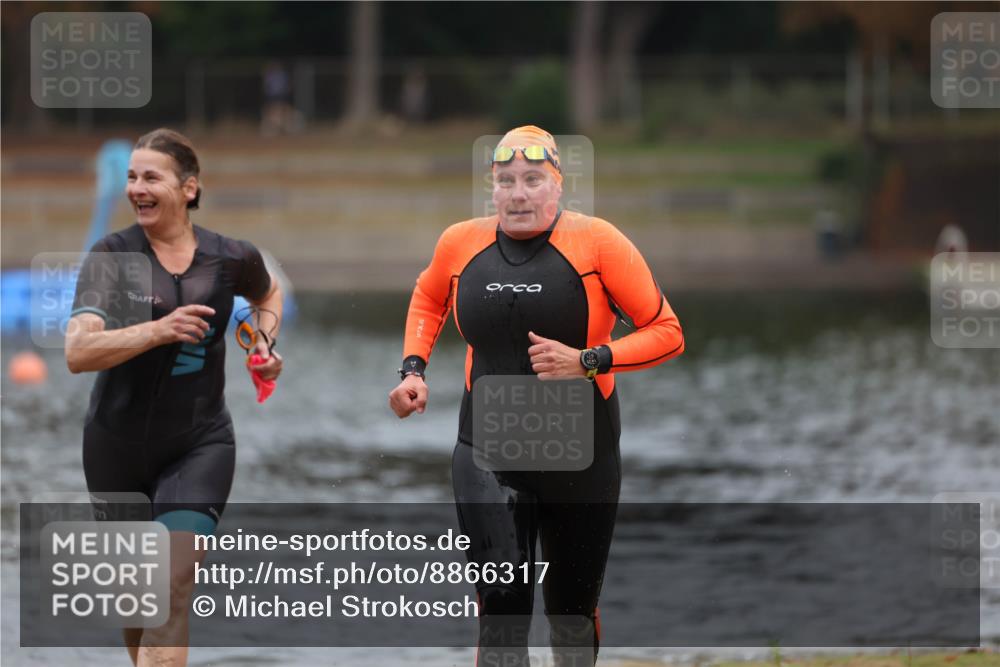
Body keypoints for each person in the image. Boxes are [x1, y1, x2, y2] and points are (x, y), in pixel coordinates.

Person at [388, 125, 684, 665]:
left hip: (581, 450)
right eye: (506, 181)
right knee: (501, 607)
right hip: (487, 448)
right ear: (492, 189)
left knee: (570, 614)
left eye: (532, 179)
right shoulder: (460, 241)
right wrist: (413, 370)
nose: (518, 193)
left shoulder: (598, 242)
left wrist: (588, 360)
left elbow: (667, 331)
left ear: (557, 186)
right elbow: (428, 298)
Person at [65, 128, 284, 667]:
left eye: (150, 177)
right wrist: (158, 331)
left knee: (172, 584)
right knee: (136, 600)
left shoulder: (229, 258)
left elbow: (267, 292)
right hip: (115, 446)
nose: (137, 188)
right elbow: (77, 351)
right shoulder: (112, 256)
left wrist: (262, 343)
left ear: (188, 188)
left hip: (199, 443)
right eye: (132, 177)